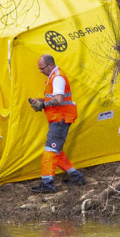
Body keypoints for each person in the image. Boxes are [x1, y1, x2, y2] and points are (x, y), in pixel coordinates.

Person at [27, 54, 85, 193]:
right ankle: (76, 177)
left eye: (42, 68)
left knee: (50, 151)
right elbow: (54, 98)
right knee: (57, 151)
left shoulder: (57, 78)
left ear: (50, 65)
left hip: (60, 119)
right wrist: (40, 100)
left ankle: (47, 184)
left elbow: (58, 100)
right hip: (59, 119)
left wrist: (42, 105)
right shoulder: (54, 76)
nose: (40, 71)